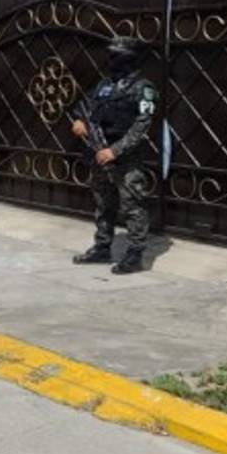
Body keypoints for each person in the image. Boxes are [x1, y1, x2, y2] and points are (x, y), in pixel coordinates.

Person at [71, 36, 158, 275]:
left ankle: (135, 254)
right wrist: (80, 121)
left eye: (115, 55)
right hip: (99, 152)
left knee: (132, 205)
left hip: (126, 157)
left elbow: (142, 126)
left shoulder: (143, 88)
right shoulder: (104, 85)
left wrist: (115, 150)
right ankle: (102, 246)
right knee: (103, 203)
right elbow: (86, 107)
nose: (110, 60)